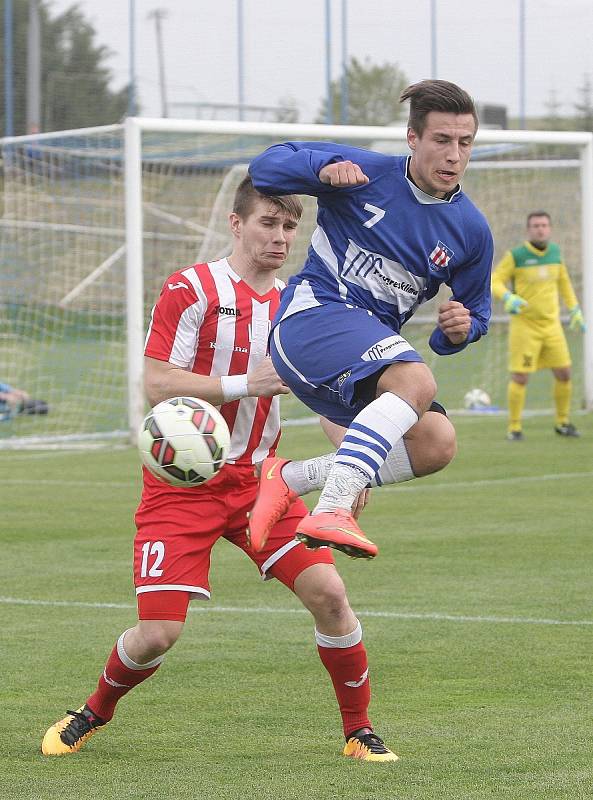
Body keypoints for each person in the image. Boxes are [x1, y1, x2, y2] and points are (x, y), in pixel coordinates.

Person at [41, 177, 398, 763]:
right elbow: (155, 384)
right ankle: (93, 711)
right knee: (159, 633)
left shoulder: (300, 306)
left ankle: (358, 732)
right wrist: (243, 384)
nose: (280, 237)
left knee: (331, 596)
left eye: (289, 227)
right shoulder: (191, 288)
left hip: (264, 486)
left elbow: (327, 399)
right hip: (181, 490)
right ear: (237, 223)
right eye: (268, 223)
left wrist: (348, 478)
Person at [247, 79, 493, 559]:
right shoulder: (366, 173)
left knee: (436, 444)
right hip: (310, 318)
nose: (454, 155)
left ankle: (291, 478)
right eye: (441, 140)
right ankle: (334, 506)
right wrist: (323, 167)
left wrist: (459, 331)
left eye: (465, 143)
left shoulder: (470, 230)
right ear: (412, 138)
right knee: (416, 381)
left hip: (363, 355)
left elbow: (476, 313)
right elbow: (266, 168)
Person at [491, 210, 586, 441]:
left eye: (544, 225)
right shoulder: (517, 256)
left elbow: (564, 283)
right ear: (528, 230)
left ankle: (563, 423)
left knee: (564, 372)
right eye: (535, 225)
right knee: (520, 377)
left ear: (550, 228)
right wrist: (508, 298)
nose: (540, 229)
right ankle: (514, 427)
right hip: (525, 327)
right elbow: (494, 280)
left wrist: (574, 309)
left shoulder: (555, 253)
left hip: (552, 327)